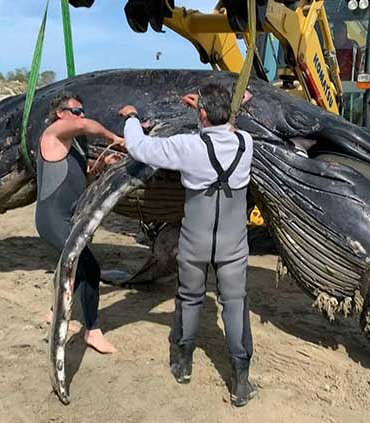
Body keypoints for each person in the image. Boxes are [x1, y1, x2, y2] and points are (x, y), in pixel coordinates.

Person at [119, 83, 257, 407]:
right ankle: (240, 380)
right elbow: (230, 127)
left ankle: (182, 363)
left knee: (190, 298)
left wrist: (131, 117)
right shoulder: (246, 143)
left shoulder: (186, 147)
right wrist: (212, 109)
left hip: (195, 240)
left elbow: (138, 147)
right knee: (235, 303)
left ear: (203, 114)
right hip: (233, 244)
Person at [36, 92, 124, 354]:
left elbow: (81, 174)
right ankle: (93, 331)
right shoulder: (51, 135)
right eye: (75, 111)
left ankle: (55, 312)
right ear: (60, 114)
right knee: (89, 268)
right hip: (52, 218)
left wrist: (102, 164)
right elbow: (86, 126)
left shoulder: (72, 144)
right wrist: (115, 138)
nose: (81, 116)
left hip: (69, 215)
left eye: (82, 111)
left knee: (71, 267)